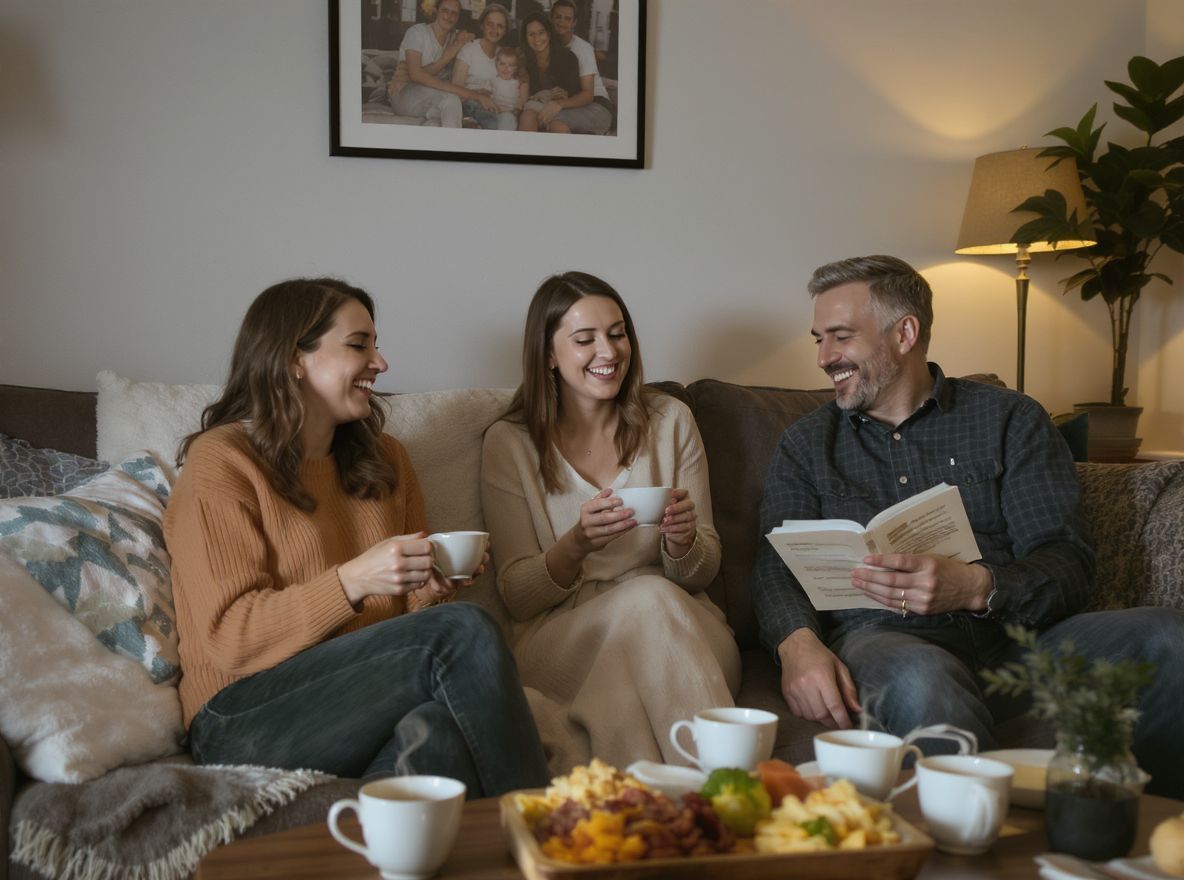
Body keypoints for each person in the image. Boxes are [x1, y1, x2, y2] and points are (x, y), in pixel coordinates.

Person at [750, 254, 1184, 797]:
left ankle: (1161, 844)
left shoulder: (1010, 419)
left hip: (1020, 642)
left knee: (1169, 636)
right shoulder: (808, 444)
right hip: (885, 641)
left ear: (904, 332)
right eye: (819, 339)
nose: (823, 357)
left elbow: (1067, 559)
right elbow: (775, 566)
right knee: (924, 680)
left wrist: (978, 586)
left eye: (840, 337)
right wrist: (798, 646)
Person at [165, 277, 549, 798]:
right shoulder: (223, 461)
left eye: (376, 343)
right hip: (241, 718)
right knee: (462, 629)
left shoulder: (386, 460)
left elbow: (404, 634)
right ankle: (549, 830)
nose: (381, 362)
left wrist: (430, 586)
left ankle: (372, 844)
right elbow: (231, 637)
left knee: (442, 733)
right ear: (292, 359)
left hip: (355, 707)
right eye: (358, 345)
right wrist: (352, 580)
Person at [481, 271, 741, 772]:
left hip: (685, 631)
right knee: (645, 604)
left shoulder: (671, 421)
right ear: (548, 355)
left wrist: (684, 544)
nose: (609, 351)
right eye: (585, 339)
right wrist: (575, 544)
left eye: (617, 333)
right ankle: (729, 788)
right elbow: (517, 594)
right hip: (563, 637)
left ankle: (628, 822)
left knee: (638, 639)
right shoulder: (510, 444)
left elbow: (704, 572)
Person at [388, 0, 482, 128]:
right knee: (451, 100)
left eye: (454, 13)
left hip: (432, 98)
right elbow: (416, 76)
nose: (449, 16)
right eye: (445, 11)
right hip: (405, 94)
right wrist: (469, 93)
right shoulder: (417, 32)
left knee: (436, 123)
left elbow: (474, 41)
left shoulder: (455, 37)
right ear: (436, 11)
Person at [516, 13, 593, 135]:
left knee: (558, 125)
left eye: (541, 32)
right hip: (534, 106)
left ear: (549, 34)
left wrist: (563, 95)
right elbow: (521, 93)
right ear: (526, 38)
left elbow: (576, 93)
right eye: (531, 34)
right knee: (527, 116)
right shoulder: (522, 59)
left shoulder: (568, 57)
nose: (537, 39)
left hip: (562, 109)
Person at [549, 0, 614, 135]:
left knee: (554, 120)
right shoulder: (548, 44)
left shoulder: (583, 49)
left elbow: (587, 95)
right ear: (551, 17)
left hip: (597, 106)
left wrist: (560, 103)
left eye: (567, 19)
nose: (562, 22)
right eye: (558, 17)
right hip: (573, 104)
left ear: (574, 23)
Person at [449, 3, 516, 130]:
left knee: (509, 119)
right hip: (469, 106)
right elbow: (455, 90)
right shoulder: (469, 49)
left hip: (494, 106)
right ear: (482, 25)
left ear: (505, 30)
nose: (494, 30)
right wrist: (479, 95)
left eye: (500, 26)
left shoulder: (504, 55)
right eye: (490, 24)